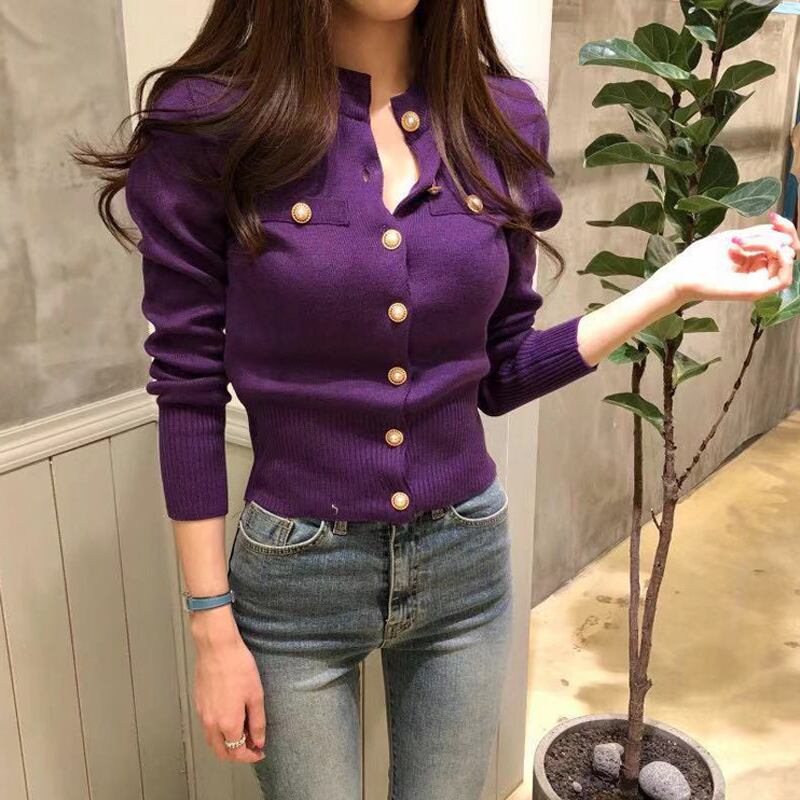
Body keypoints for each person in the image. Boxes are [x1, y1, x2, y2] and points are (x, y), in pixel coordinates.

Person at [72, 1, 798, 798]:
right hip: (295, 582)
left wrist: (672, 284)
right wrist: (212, 625)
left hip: (465, 564)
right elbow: (188, 385)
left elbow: (503, 372)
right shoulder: (212, 123)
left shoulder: (498, 119)